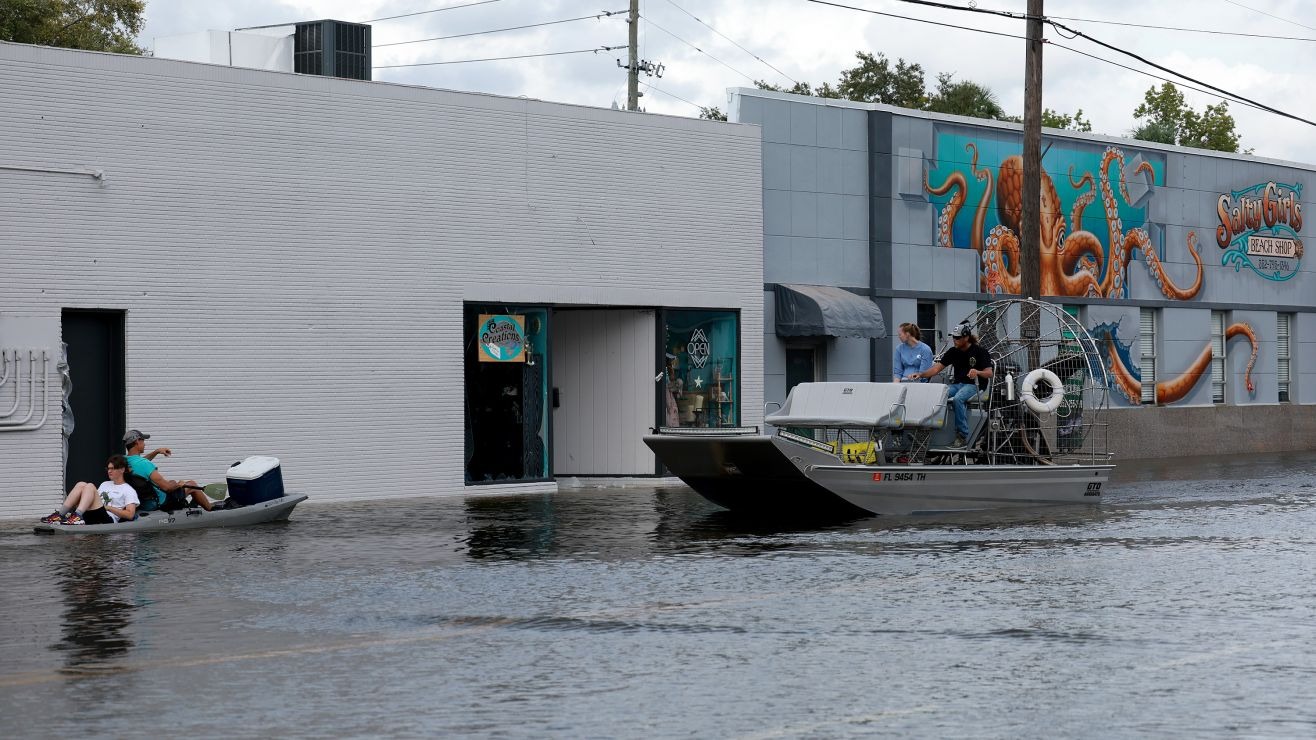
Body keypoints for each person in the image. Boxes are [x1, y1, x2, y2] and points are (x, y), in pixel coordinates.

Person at [907, 322, 994, 447]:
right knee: (936, 396)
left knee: (958, 399)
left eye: (957, 338)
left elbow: (989, 373)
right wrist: (920, 374)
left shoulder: (980, 351)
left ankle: (962, 435)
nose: (955, 340)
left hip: (975, 385)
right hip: (958, 384)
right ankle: (925, 431)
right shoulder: (953, 351)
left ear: (966, 337)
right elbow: (937, 368)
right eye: (953, 337)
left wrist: (977, 372)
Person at [123, 429, 214, 511]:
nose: (145, 443)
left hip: (142, 502)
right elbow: (167, 488)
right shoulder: (145, 464)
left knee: (172, 481)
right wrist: (179, 485)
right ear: (137, 442)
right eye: (143, 440)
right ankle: (210, 510)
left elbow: (140, 462)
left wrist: (156, 451)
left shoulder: (124, 461)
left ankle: (193, 503)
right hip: (158, 503)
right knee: (191, 484)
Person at [40, 455, 139, 525]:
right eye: (108, 468)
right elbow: (94, 500)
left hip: (107, 518)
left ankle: (77, 516)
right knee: (81, 484)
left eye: (112, 468)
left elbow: (130, 515)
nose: (109, 471)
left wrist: (108, 508)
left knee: (90, 486)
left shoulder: (128, 490)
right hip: (92, 513)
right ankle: (60, 515)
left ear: (122, 469)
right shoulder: (105, 484)